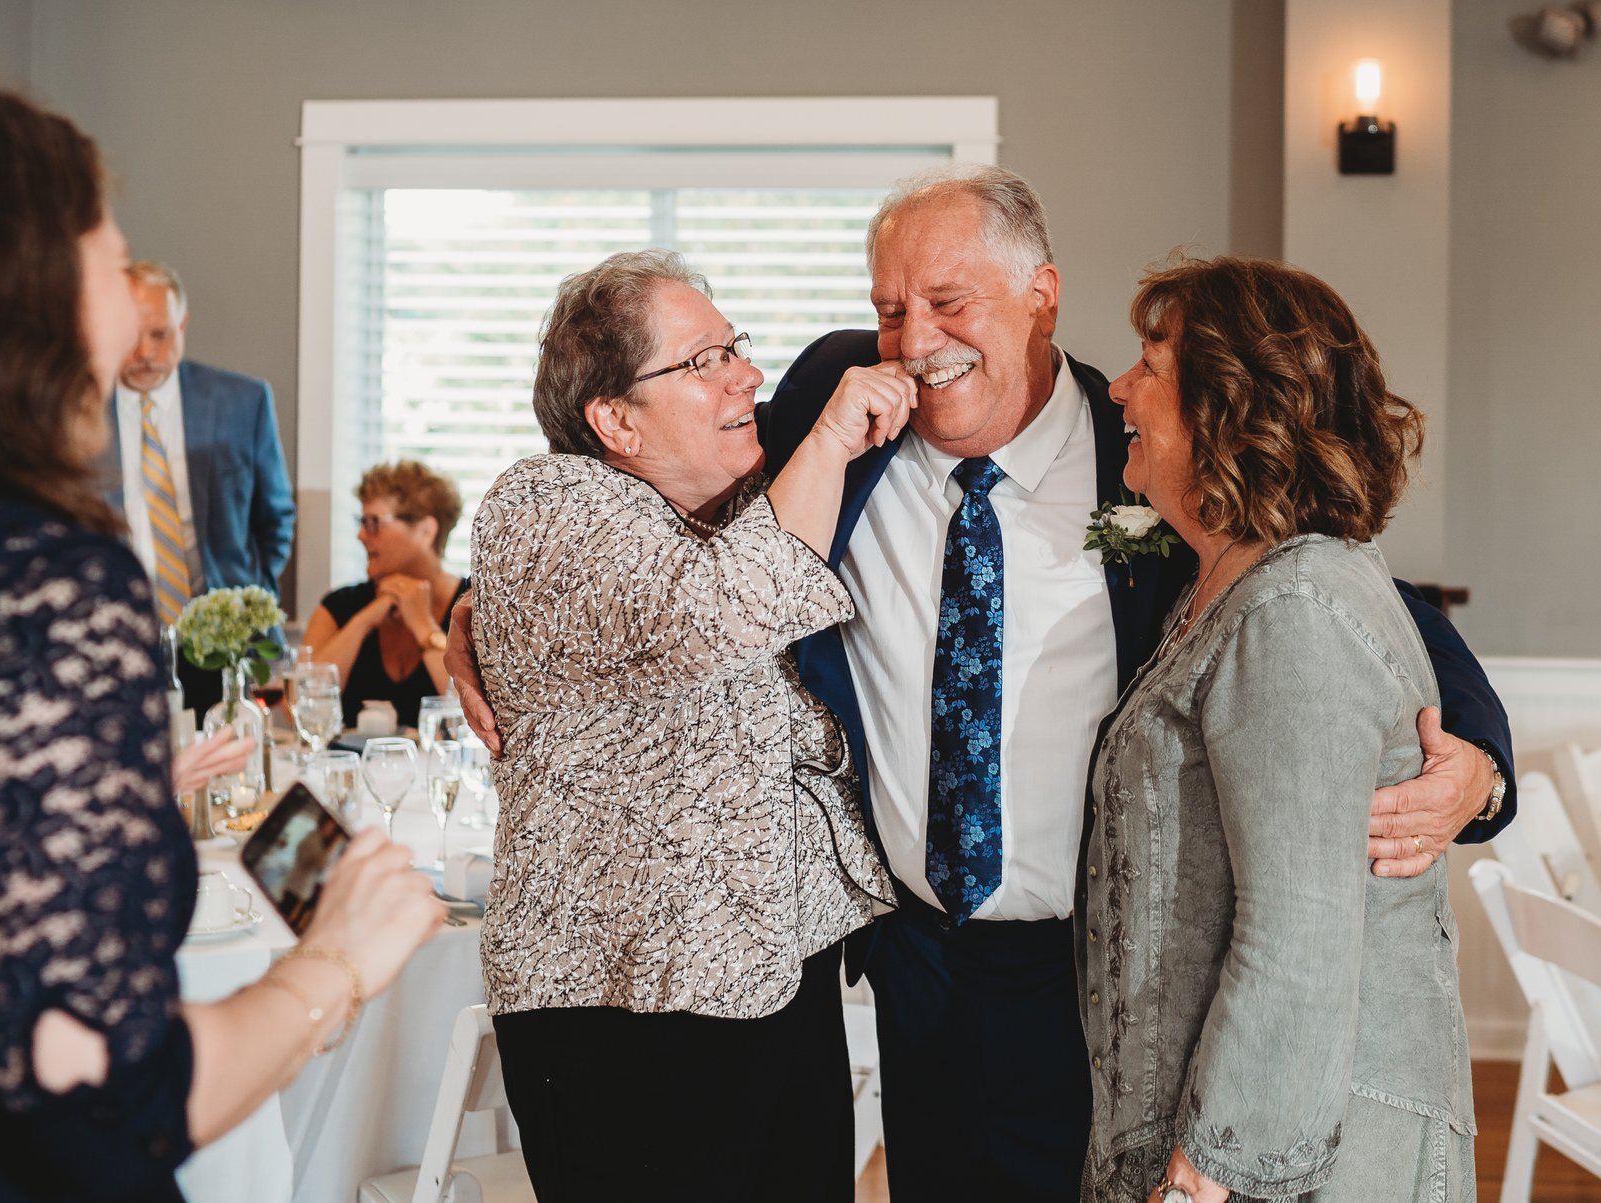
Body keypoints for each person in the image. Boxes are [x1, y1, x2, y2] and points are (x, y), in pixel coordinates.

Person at [453, 166, 1514, 1200]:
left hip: (1101, 972)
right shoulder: (837, 409)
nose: (917, 339)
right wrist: (476, 613)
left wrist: (1476, 752)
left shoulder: (1149, 450)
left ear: (1040, 294)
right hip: (921, 966)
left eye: (950, 301)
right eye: (890, 307)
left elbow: (1330, 580)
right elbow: (638, 497)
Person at [0, 76, 441, 1201]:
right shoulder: (37, 575)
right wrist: (333, 963)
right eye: (112, 256)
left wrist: (109, 794)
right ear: (29, 292)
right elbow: (94, 1094)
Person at [464, 250, 914, 1202]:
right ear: (614, 420)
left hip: (770, 973)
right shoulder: (544, 503)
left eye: (735, 346)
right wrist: (831, 439)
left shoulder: (731, 500)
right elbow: (709, 613)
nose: (744, 374)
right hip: (622, 1001)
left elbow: (848, 353)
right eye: (703, 359)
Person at [1085, 256, 1472, 1203]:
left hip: (1301, 1143)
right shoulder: (1237, 579)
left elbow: (1297, 927)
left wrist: (1213, 1173)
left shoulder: (1294, 607)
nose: (1121, 389)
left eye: (1149, 363)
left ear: (1227, 403)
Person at [101, 259, 295, 714]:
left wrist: (247, 595)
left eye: (160, 335)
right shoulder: (76, 410)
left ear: (182, 325)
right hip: (117, 641)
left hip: (223, 646)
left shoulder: (241, 402)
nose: (145, 353)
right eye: (130, 336)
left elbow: (276, 517)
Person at [303, 459, 469, 733]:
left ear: (426, 531)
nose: (360, 535)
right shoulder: (339, 606)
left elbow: (477, 714)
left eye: (373, 523)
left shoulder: (472, 606)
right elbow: (298, 707)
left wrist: (423, 627)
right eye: (361, 522)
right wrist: (364, 621)